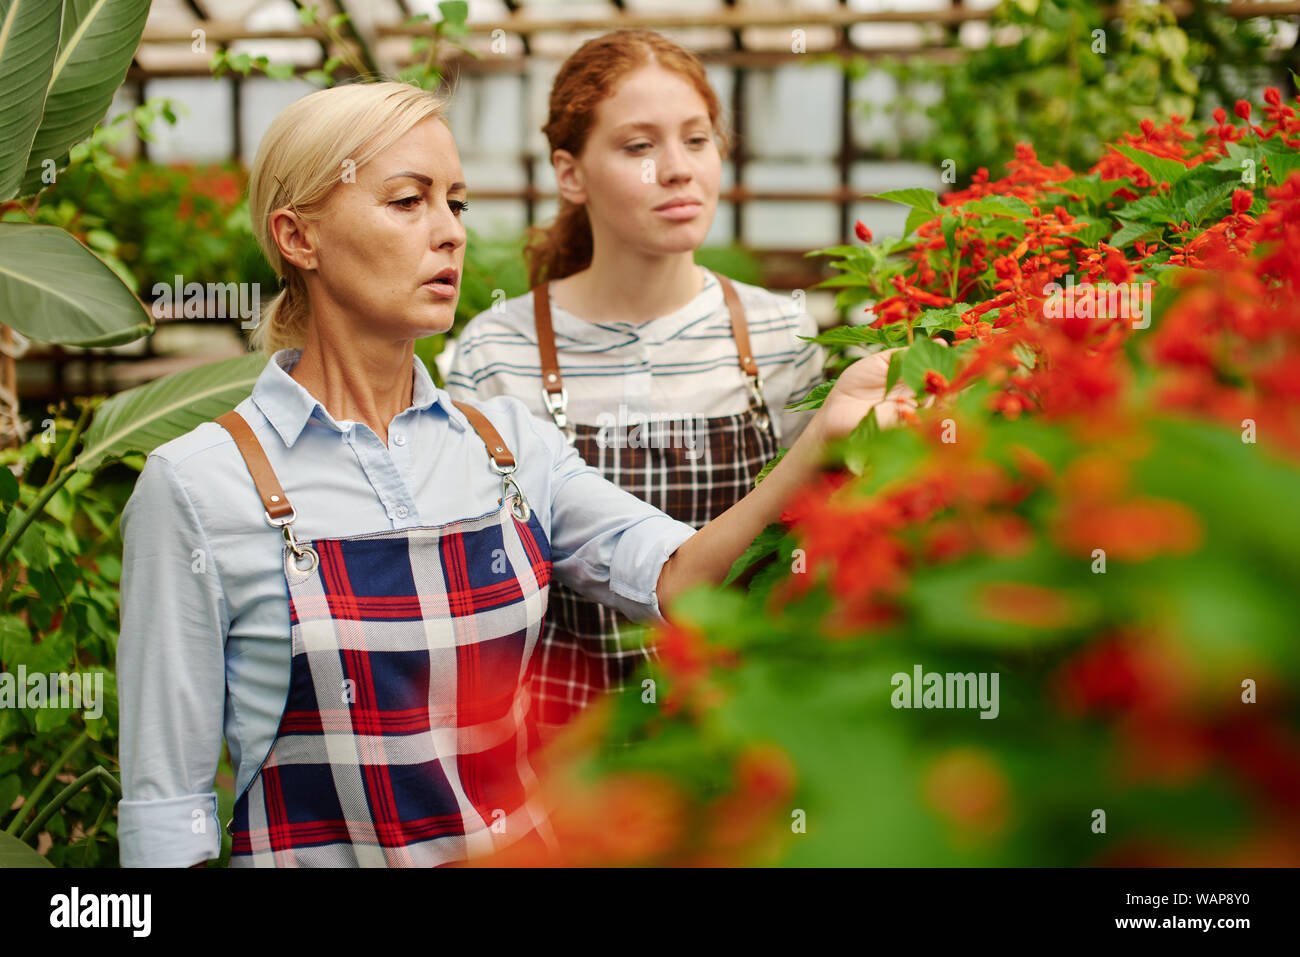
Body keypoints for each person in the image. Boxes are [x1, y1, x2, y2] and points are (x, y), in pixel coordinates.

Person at [115, 80, 912, 868]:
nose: (450, 233)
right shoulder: (199, 485)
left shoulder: (506, 447)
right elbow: (167, 811)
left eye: (455, 203)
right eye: (407, 201)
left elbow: (680, 580)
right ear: (298, 237)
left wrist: (825, 438)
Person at [446, 29, 828, 733]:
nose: (678, 169)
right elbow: (477, 587)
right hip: (560, 747)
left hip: (743, 726)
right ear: (570, 173)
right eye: (638, 146)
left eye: (697, 139)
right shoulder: (497, 351)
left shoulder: (782, 337)